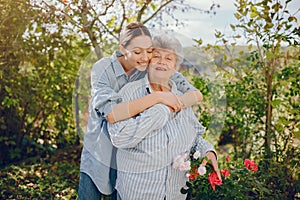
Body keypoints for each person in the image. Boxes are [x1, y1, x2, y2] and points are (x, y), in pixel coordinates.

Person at [78, 22, 203, 200]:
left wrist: (171, 106)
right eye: (137, 52)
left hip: (130, 152)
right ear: (123, 48)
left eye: (149, 50)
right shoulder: (103, 69)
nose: (145, 57)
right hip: (101, 150)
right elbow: (112, 114)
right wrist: (159, 98)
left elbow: (195, 94)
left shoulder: (148, 66)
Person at [108, 34, 221, 200]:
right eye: (156, 57)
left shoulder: (182, 97)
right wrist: (161, 108)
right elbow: (119, 137)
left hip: (175, 194)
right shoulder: (129, 92)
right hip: (137, 193)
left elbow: (194, 137)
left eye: (169, 58)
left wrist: (208, 151)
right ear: (147, 62)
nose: (162, 61)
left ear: (175, 66)